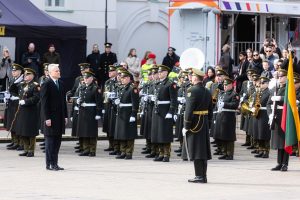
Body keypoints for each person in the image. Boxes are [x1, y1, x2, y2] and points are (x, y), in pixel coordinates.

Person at [182, 67, 212, 183]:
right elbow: (210, 110)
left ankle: (199, 176)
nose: (190, 77)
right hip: (203, 122)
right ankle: (203, 175)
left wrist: (186, 126)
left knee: (197, 150)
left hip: (195, 123)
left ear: (195, 77)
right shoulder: (207, 91)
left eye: (192, 76)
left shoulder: (191, 90)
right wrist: (208, 125)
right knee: (202, 150)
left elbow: (189, 111)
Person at [41, 64, 68, 171]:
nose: (59, 72)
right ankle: (50, 164)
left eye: (59, 70)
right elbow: (44, 103)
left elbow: (63, 102)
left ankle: (54, 163)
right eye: (56, 71)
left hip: (60, 117)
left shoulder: (60, 83)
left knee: (57, 141)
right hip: (50, 118)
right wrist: (47, 118)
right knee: (50, 142)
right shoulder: (46, 84)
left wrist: (65, 115)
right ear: (50, 72)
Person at [151, 65, 177, 162]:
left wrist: (171, 112)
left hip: (165, 111)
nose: (159, 73)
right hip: (157, 111)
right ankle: (161, 153)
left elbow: (173, 100)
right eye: (159, 72)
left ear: (166, 73)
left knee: (165, 133)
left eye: (161, 72)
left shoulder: (170, 84)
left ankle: (166, 154)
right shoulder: (157, 84)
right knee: (158, 133)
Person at [267, 69, 289, 171]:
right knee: (278, 141)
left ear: (286, 77)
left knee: (285, 141)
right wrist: (270, 114)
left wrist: (281, 98)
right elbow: (268, 104)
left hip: (284, 116)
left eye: (282, 76)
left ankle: (285, 163)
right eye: (279, 76)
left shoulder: (289, 88)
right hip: (275, 116)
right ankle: (279, 163)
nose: (280, 78)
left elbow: (291, 99)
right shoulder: (274, 89)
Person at [114, 70, 139, 159]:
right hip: (121, 113)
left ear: (128, 78)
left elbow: (135, 103)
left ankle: (128, 152)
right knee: (122, 133)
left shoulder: (132, 88)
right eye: (122, 78)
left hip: (128, 113)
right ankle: (123, 151)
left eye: (124, 78)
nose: (122, 79)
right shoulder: (121, 88)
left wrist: (133, 114)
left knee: (129, 134)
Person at [77, 71, 102, 157]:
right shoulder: (83, 87)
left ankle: (92, 150)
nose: (85, 79)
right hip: (83, 111)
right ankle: (86, 149)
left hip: (92, 111)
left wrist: (98, 113)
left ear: (91, 78)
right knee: (84, 131)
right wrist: (78, 102)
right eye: (84, 78)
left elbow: (99, 102)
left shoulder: (95, 88)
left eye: (87, 78)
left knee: (91, 132)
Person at [16, 68, 40, 157]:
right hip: (22, 111)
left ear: (32, 76)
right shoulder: (22, 84)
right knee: (23, 131)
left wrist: (26, 102)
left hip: (31, 111)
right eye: (25, 74)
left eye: (27, 74)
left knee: (30, 132)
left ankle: (31, 150)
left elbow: (36, 98)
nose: (25, 76)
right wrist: (18, 79)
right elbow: (13, 88)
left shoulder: (35, 85)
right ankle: (26, 149)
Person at [214, 77, 239, 160]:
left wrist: (224, 104)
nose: (224, 87)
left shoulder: (234, 94)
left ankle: (229, 154)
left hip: (229, 117)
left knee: (229, 136)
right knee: (222, 135)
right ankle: (224, 152)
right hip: (221, 116)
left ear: (231, 85)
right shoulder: (221, 93)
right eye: (224, 85)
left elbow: (235, 105)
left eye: (226, 85)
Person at [5, 64, 24, 150]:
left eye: (15, 71)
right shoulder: (12, 79)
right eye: (12, 71)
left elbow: (22, 94)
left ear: (20, 72)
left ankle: (20, 142)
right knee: (11, 123)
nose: (13, 72)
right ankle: (14, 141)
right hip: (11, 104)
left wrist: (15, 97)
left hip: (17, 104)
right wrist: (7, 97)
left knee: (17, 124)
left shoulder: (22, 81)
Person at [254, 76, 271, 158]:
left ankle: (266, 151)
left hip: (265, 114)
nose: (261, 85)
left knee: (265, 133)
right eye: (260, 83)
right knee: (259, 133)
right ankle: (261, 150)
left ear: (267, 84)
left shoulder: (269, 92)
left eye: (263, 83)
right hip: (259, 113)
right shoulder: (260, 92)